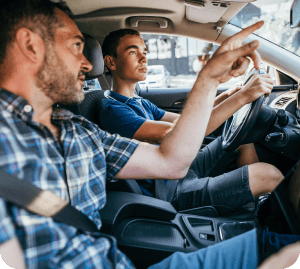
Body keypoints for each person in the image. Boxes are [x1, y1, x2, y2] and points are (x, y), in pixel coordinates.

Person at [0, 0, 298, 269]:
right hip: (161, 196)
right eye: (76, 46)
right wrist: (239, 96)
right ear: (31, 45)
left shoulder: (79, 130)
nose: (85, 64)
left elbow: (172, 159)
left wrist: (211, 80)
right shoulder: (11, 138)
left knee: (279, 250)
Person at [100, 28, 284, 213]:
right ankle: (260, 211)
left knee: (243, 142)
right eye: (133, 52)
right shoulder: (113, 110)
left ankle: (253, 207)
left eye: (144, 51)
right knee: (268, 175)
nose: (143, 58)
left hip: (180, 168)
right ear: (110, 62)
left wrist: (230, 94)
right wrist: (243, 97)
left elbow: (185, 120)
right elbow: (177, 133)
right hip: (169, 192)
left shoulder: (140, 102)